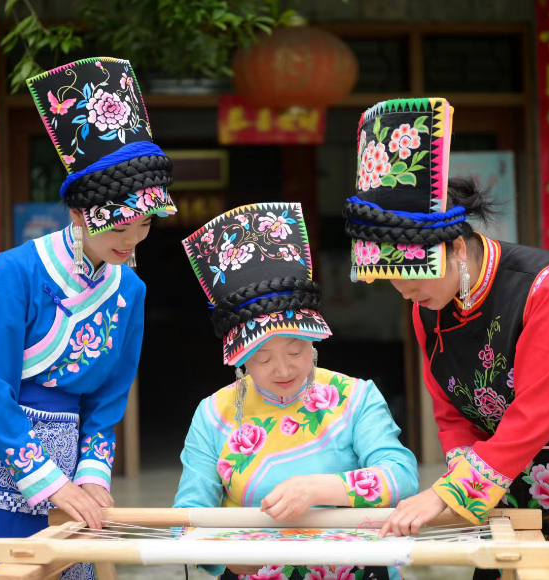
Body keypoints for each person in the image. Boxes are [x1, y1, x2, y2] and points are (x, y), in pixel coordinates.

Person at [343, 97, 549, 579]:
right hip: (502, 473)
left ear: (457, 247)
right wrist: (465, 486)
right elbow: (449, 407)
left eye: (412, 275)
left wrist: (449, 492)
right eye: (392, 280)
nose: (405, 291)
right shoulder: (428, 305)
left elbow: (535, 413)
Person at [0, 57, 177, 580]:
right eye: (121, 229)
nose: (132, 240)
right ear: (82, 214)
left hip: (69, 472)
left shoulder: (131, 289)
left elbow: (107, 403)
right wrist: (50, 482)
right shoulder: (13, 271)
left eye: (145, 226)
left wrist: (92, 479)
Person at [174, 202, 418, 580]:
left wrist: (318, 488)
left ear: (313, 343)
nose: (284, 369)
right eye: (263, 358)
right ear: (241, 361)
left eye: (295, 350)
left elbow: (401, 475)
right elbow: (186, 516)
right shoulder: (213, 414)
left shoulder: (355, 396)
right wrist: (226, 559)